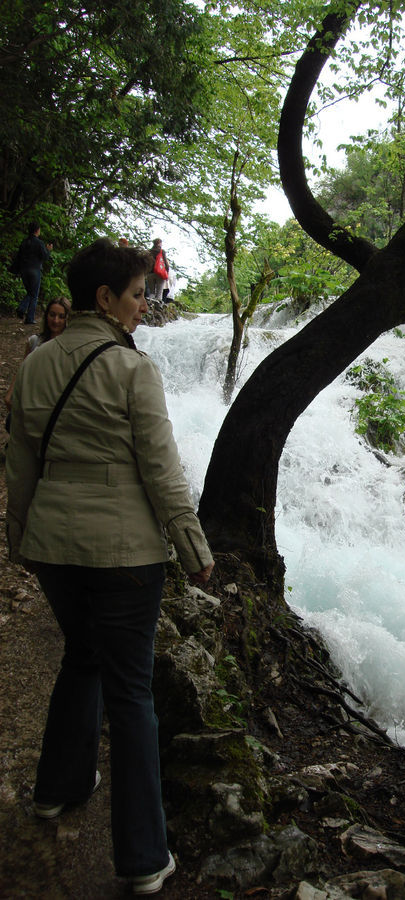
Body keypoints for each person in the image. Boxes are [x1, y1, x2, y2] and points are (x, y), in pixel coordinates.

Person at [5, 238, 214, 895]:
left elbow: (21, 464)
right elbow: (160, 469)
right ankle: (144, 856)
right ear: (105, 298)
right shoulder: (132, 368)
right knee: (130, 695)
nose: (143, 307)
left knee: (81, 657)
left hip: (54, 548)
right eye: (135, 295)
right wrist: (193, 548)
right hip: (125, 554)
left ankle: (56, 790)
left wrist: (19, 541)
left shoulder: (35, 362)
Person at [4, 297, 71, 419]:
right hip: (31, 399)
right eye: (52, 315)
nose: (56, 321)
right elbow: (23, 368)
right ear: (46, 316)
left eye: (61, 316)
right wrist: (10, 394)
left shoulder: (71, 347)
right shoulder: (35, 341)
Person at [16, 222, 53, 325]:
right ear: (37, 230)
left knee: (30, 292)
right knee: (34, 294)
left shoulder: (24, 242)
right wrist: (48, 250)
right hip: (34, 270)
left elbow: (18, 257)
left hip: (24, 270)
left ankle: (22, 308)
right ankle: (29, 317)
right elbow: (45, 257)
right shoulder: (39, 243)